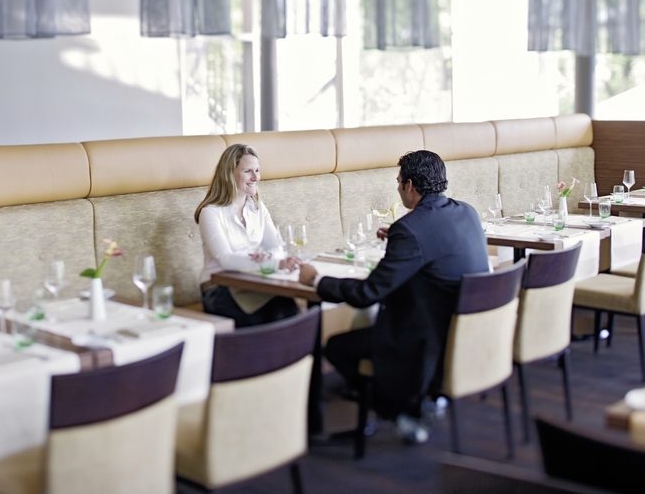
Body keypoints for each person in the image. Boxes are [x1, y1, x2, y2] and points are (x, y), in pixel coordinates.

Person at [299, 150, 489, 441]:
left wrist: (316, 280)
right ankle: (416, 402)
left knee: (336, 347)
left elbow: (368, 293)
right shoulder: (466, 211)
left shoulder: (410, 228)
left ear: (409, 185)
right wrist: (401, 238)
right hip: (463, 333)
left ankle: (397, 409)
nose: (398, 187)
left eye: (399, 181)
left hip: (424, 342)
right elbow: (435, 243)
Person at [195, 144, 301, 327]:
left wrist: (269, 257)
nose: (255, 177)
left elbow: (276, 246)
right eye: (248, 171)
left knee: (286, 307)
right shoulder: (211, 212)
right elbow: (226, 259)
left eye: (257, 170)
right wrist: (273, 263)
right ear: (229, 174)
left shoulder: (257, 206)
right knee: (271, 315)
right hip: (219, 287)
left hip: (252, 280)